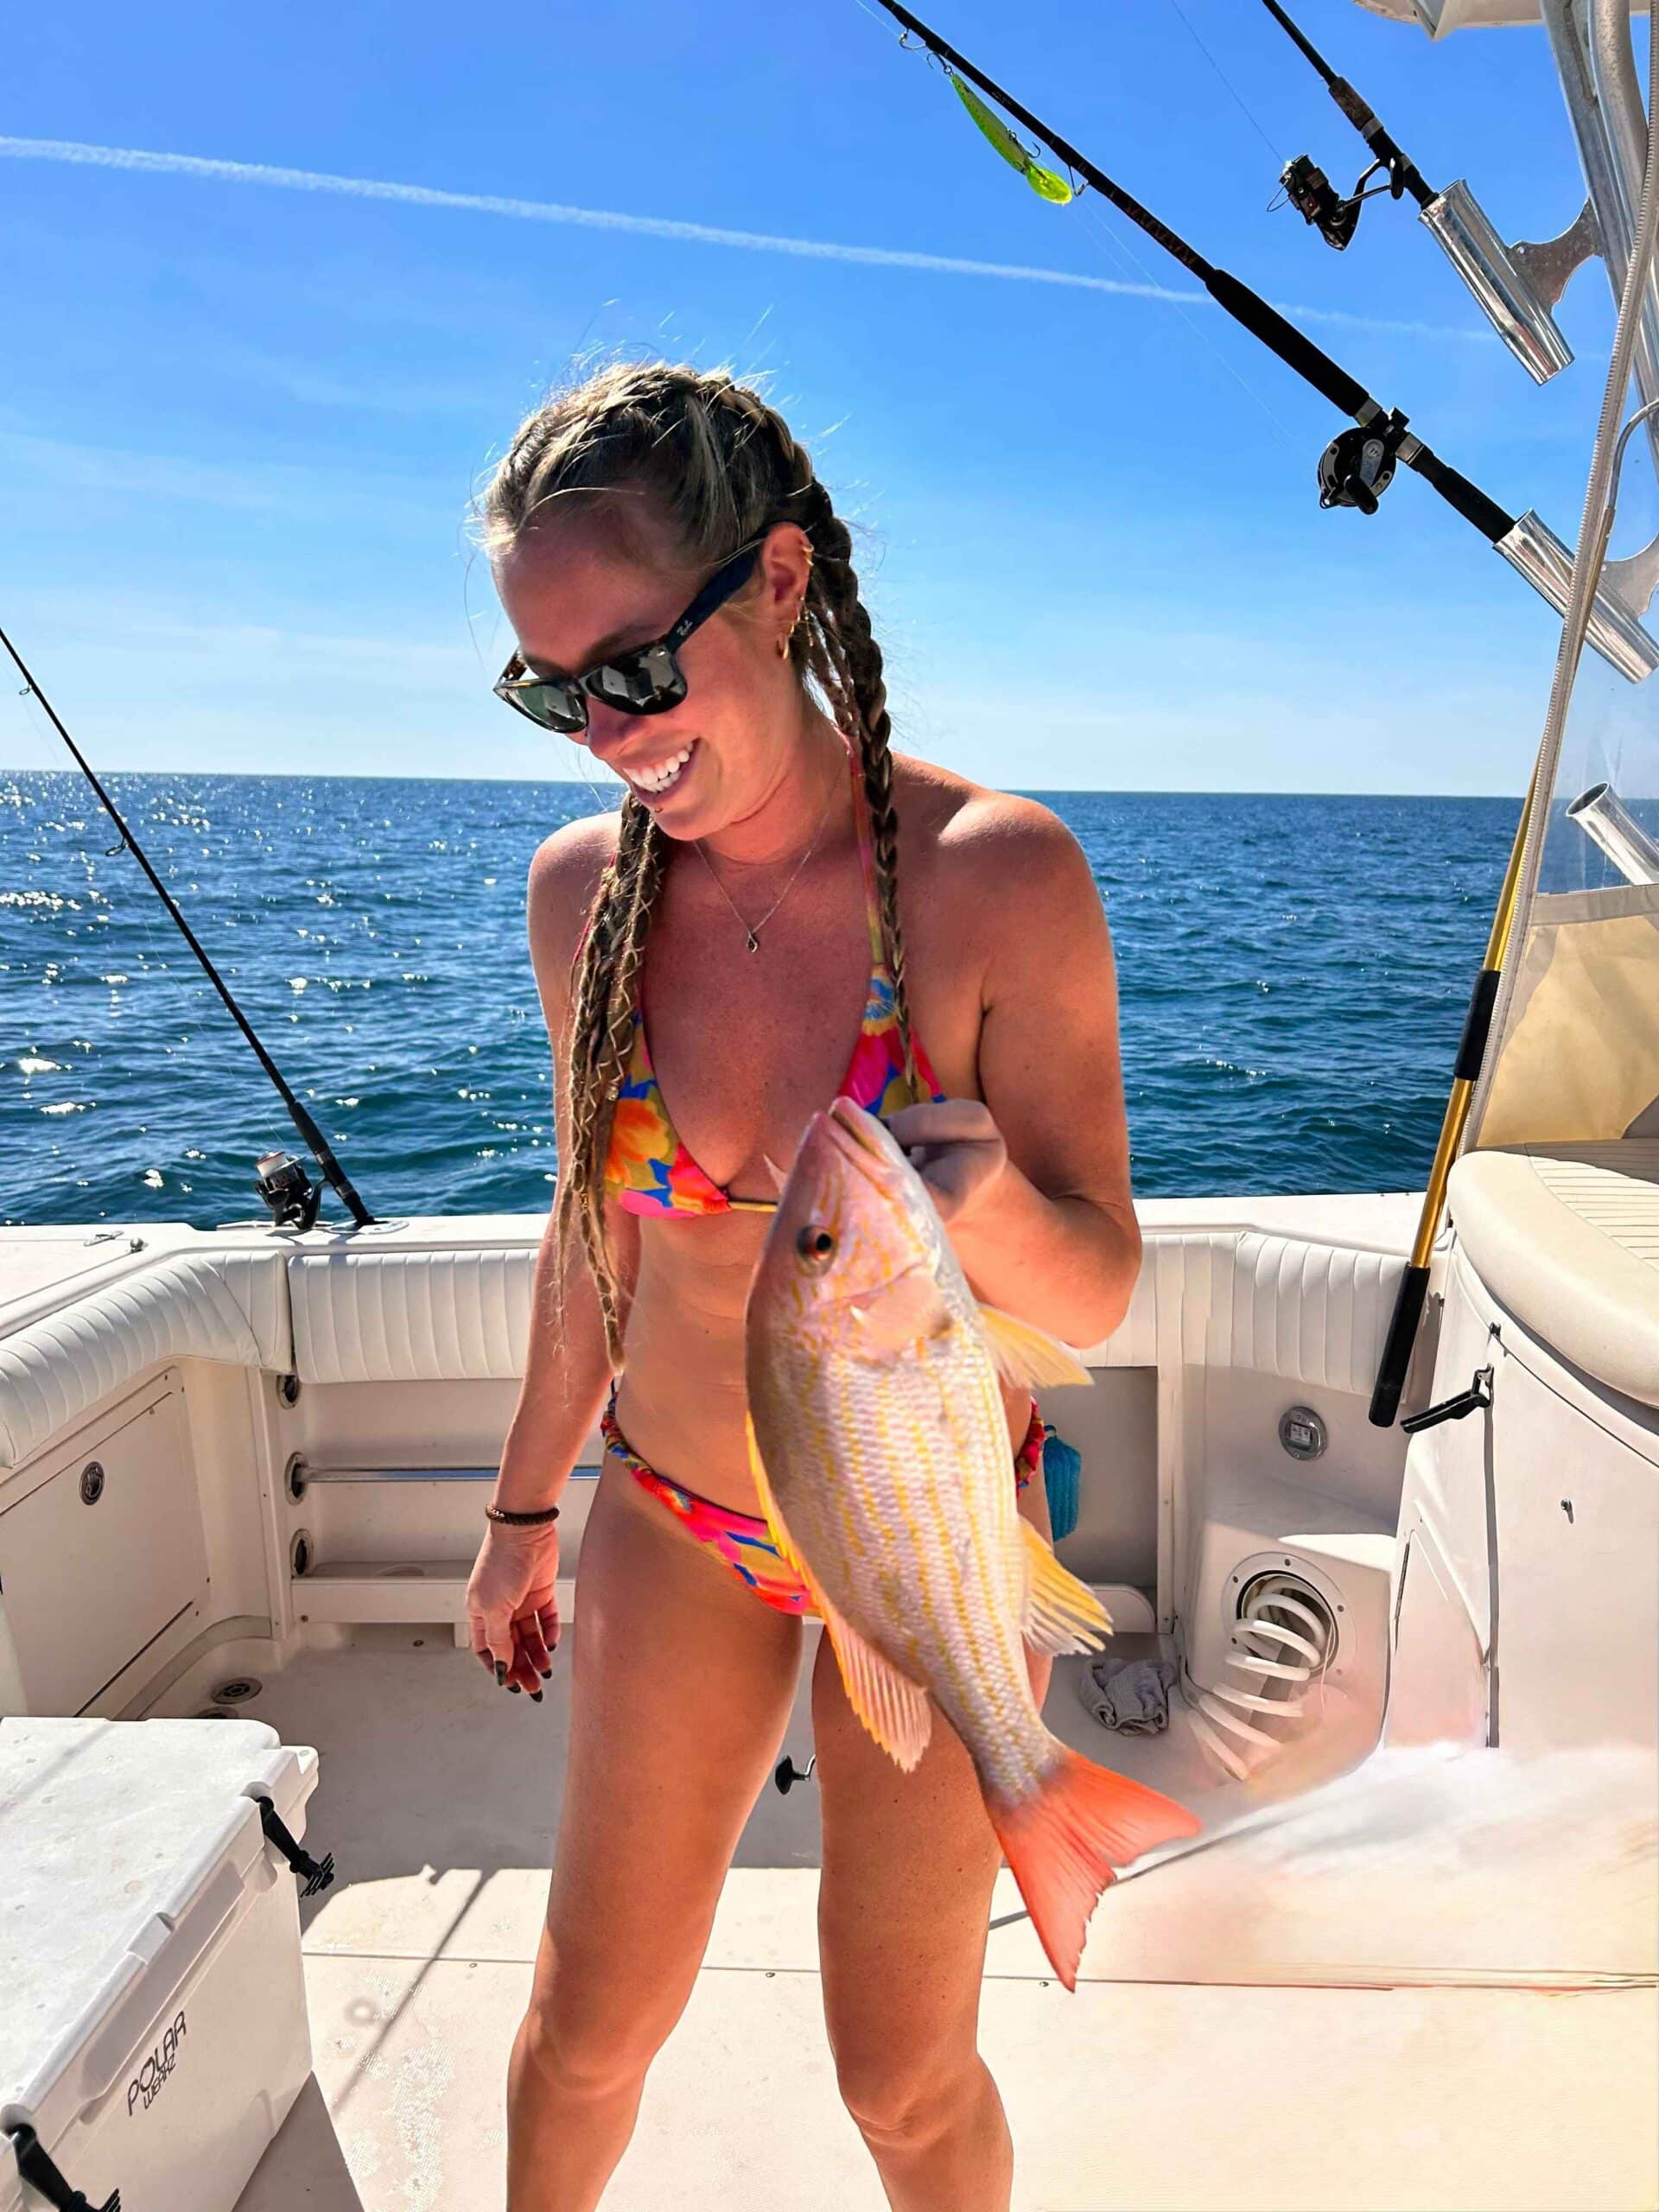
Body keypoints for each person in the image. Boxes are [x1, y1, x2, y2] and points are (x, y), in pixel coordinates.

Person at [465, 360, 1141, 2212]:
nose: (604, 732)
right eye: (551, 692)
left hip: (928, 1538)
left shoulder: (998, 875)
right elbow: (584, 1243)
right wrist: (525, 1509)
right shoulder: (577, 896)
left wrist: (985, 1197)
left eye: (628, 671)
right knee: (587, 2023)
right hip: (678, 1523)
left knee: (906, 2076)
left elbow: (1092, 1283)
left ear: (774, 582)